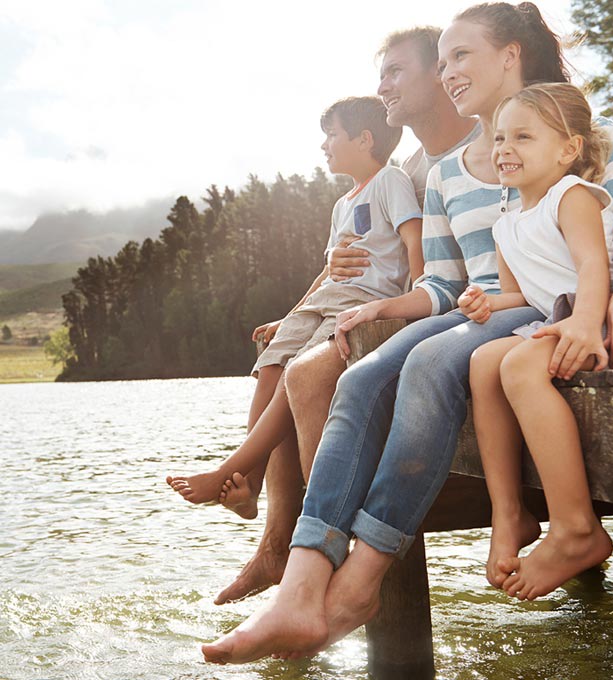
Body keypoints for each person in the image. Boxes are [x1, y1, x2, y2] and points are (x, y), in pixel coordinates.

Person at [201, 2, 613, 665]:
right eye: (442, 60)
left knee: (426, 367)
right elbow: (446, 283)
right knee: (361, 377)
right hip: (489, 307)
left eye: (461, 56)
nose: (448, 72)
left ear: (510, 55)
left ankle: (360, 582)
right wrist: (382, 310)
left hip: (553, 306)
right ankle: (303, 583)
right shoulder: (449, 172)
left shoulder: (579, 133)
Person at [210, 25, 479, 606]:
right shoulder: (406, 167)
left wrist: (393, 303)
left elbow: (427, 263)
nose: (382, 85)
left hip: (453, 312)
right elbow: (379, 242)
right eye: (380, 74)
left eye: (395, 72)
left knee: (308, 373)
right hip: (409, 307)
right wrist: (330, 270)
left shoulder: (493, 140)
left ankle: (314, 554)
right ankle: (277, 546)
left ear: (441, 74)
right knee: (283, 362)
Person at [464, 82, 613, 601]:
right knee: (484, 361)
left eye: (523, 137)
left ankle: (576, 529)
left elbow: (593, 265)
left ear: (568, 149)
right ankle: (509, 514)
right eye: (501, 138)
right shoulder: (505, 226)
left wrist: (587, 324)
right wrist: (485, 303)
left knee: (521, 367)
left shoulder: (571, 196)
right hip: (573, 315)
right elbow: (519, 295)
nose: (505, 149)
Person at [166, 95, 424, 513]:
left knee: (296, 374)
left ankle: (230, 468)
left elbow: (414, 238)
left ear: (364, 140)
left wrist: (416, 297)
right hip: (325, 299)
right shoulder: (342, 203)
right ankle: (248, 483)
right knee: (271, 363)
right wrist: (290, 316)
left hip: (363, 300)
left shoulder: (390, 182)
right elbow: (327, 272)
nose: (324, 146)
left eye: (331, 135)